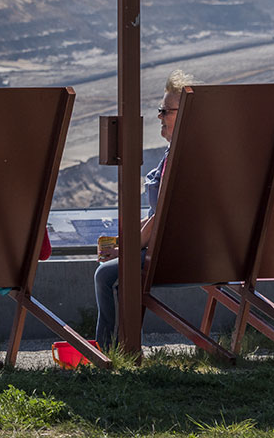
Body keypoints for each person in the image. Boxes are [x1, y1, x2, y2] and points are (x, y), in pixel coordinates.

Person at [92, 70, 198, 349]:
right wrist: (123, 243)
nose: (160, 116)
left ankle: (107, 348)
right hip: (189, 251)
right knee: (112, 265)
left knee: (104, 274)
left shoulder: (178, 160)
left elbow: (161, 219)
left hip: (173, 257)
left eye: (165, 111)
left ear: (185, 114)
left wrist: (122, 252)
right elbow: (157, 216)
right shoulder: (185, 153)